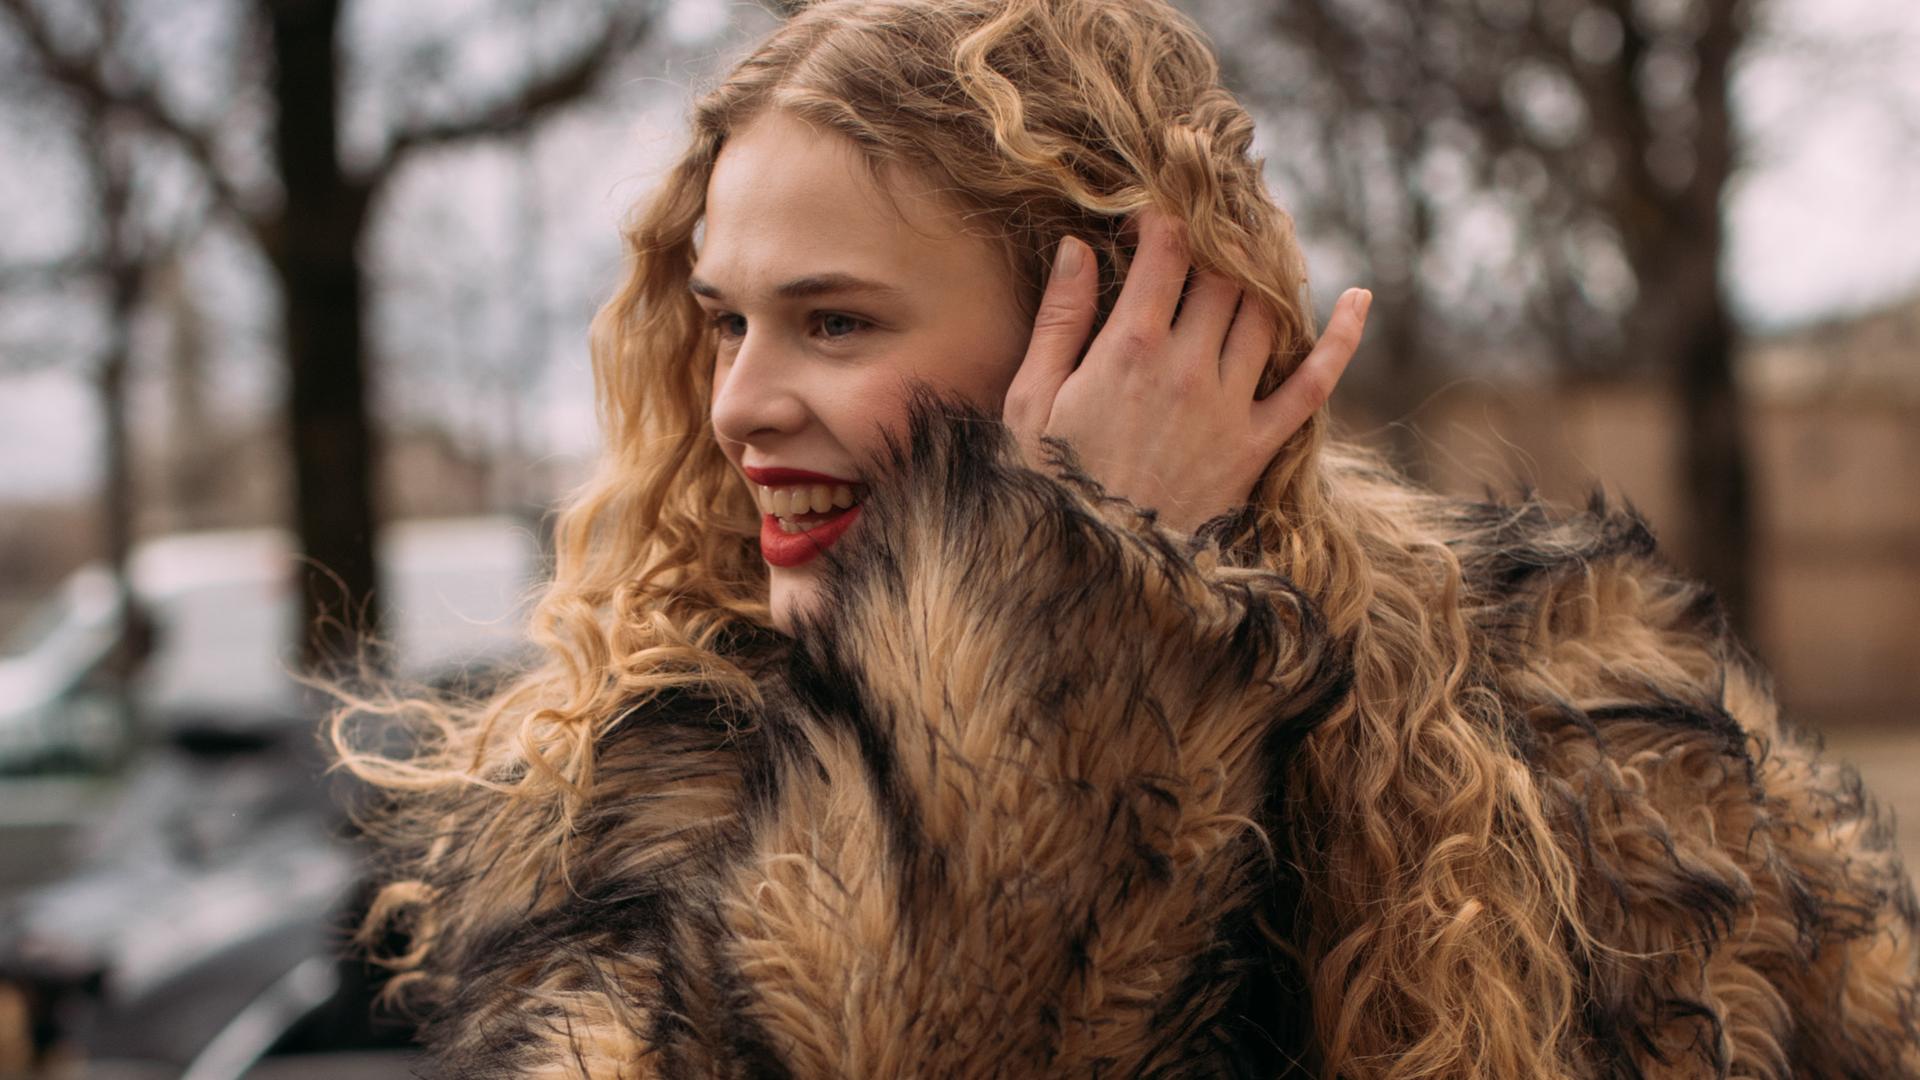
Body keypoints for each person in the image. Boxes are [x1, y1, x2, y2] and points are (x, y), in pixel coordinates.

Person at [332, 0, 1920, 1075]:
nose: (739, 401)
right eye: (728, 319)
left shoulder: (1574, 729)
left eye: (834, 321)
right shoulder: (649, 777)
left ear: (1117, 334)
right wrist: (1062, 612)